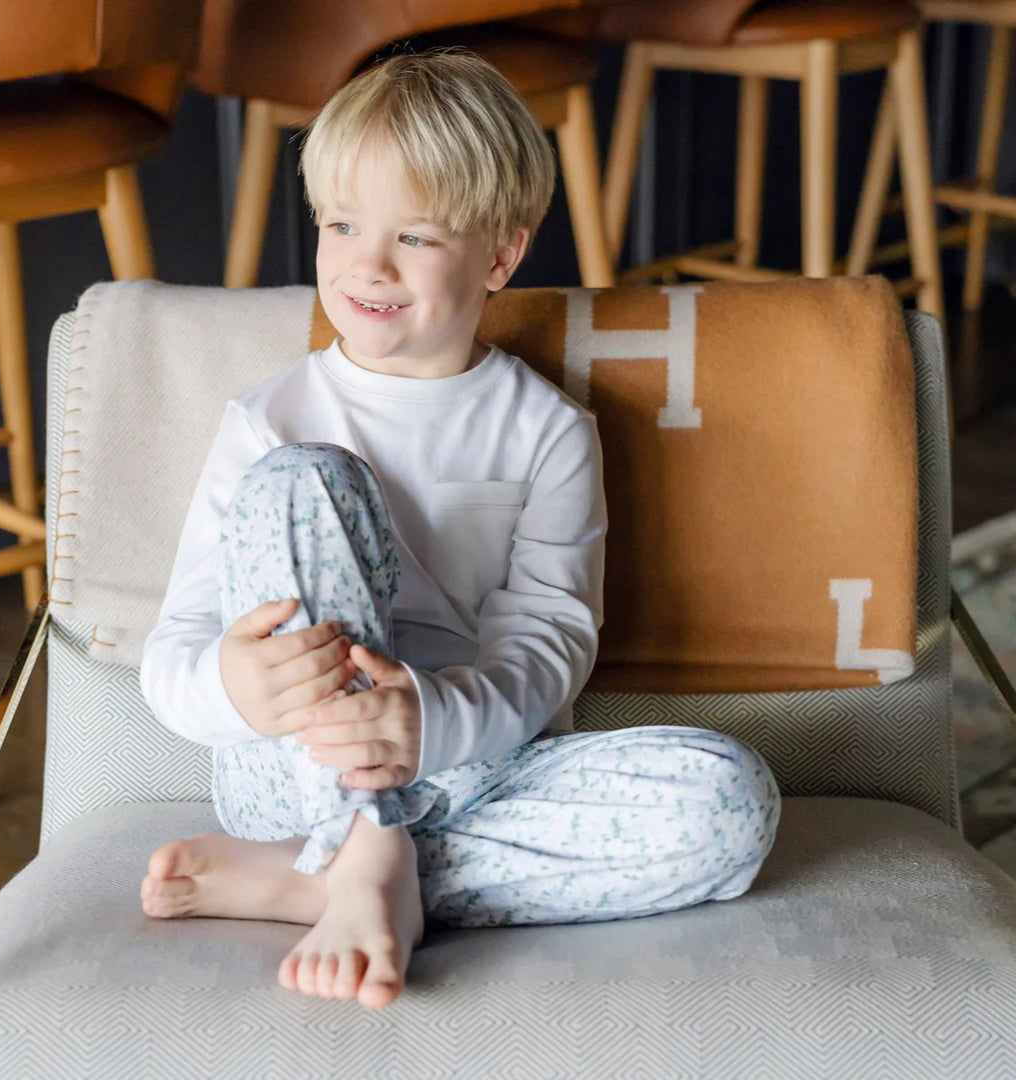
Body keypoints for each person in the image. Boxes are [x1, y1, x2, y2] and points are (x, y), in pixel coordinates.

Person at [138, 50, 780, 1011]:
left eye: (415, 236)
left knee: (731, 800)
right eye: (342, 224)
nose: (367, 263)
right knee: (305, 477)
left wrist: (428, 722)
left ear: (500, 256)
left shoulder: (549, 431)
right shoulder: (267, 420)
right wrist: (235, 685)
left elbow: (550, 643)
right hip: (291, 770)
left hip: (471, 761)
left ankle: (322, 881)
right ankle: (365, 845)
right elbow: (172, 658)